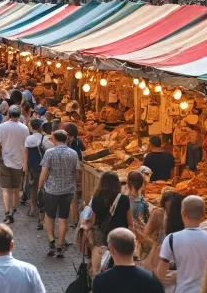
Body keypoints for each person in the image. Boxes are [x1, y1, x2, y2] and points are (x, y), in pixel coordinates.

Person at [38, 129, 81, 258]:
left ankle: (51, 240)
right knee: (63, 218)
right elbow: (78, 171)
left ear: (55, 139)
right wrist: (75, 183)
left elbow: (44, 172)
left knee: (49, 216)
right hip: (68, 189)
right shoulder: (73, 153)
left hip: (52, 189)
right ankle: (60, 245)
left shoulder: (49, 153)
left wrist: (39, 187)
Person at [80, 171, 133, 275]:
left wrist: (85, 228)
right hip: (120, 239)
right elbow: (130, 222)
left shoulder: (96, 198)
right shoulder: (124, 199)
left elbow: (93, 221)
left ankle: (97, 289)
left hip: (101, 239)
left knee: (96, 272)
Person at [0, 106, 29, 225]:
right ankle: (13, 210)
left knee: (5, 190)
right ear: (19, 115)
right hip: (18, 162)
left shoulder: (2, 127)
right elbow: (25, 147)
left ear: (8, 114)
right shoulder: (24, 128)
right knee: (16, 190)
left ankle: (7, 212)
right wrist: (25, 163)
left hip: (5, 161)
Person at [22, 118, 50, 223]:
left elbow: (25, 152)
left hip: (31, 167)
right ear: (40, 127)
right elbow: (49, 150)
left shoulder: (29, 139)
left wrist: (25, 165)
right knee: (42, 187)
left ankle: (33, 207)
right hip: (43, 167)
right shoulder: (45, 138)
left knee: (32, 187)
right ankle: (42, 208)